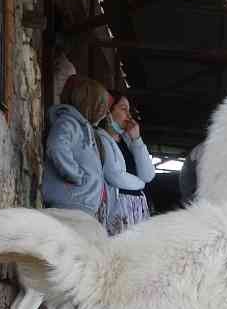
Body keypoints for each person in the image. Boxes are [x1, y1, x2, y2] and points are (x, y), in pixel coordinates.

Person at [41, 76, 114, 224]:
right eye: (101, 105)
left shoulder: (84, 127)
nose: (105, 113)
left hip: (79, 208)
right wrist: (76, 176)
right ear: (89, 103)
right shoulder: (69, 123)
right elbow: (56, 146)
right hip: (68, 208)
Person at [98, 90, 156, 235]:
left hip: (136, 209)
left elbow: (148, 174)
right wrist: (141, 183)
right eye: (123, 109)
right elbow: (115, 176)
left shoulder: (128, 141)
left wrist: (137, 140)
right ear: (108, 112)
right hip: (117, 209)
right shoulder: (100, 138)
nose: (129, 116)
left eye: (129, 110)